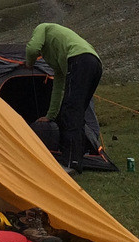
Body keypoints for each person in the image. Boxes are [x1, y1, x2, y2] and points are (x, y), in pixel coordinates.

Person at [25, 22, 102, 174]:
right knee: (78, 113)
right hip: (95, 64)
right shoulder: (59, 60)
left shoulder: (42, 27)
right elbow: (58, 88)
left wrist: (30, 63)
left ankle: (70, 163)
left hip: (79, 60)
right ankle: (78, 159)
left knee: (70, 112)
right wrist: (50, 116)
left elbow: (32, 49)